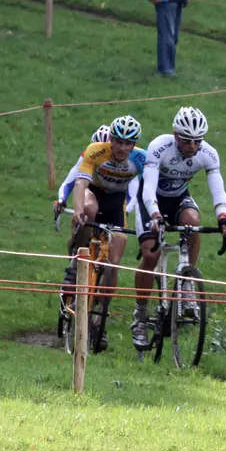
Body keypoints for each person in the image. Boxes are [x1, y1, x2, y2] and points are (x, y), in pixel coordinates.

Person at [130, 107, 226, 351]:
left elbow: (218, 189)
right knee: (150, 254)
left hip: (178, 198)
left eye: (197, 140)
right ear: (175, 135)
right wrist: (155, 213)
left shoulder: (208, 154)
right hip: (152, 199)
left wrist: (223, 216)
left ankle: (187, 281)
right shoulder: (159, 147)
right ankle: (140, 315)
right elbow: (148, 188)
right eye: (187, 140)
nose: (192, 146)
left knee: (193, 220)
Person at [60, 116, 147, 349]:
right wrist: (77, 211)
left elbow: (146, 192)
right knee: (88, 210)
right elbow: (80, 183)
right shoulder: (96, 151)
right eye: (118, 142)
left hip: (116, 206)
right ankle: (74, 263)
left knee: (113, 264)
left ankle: (100, 320)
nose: (122, 148)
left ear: (134, 144)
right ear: (111, 139)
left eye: (128, 143)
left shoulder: (141, 158)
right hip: (94, 194)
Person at [54, 125, 112, 221]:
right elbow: (69, 182)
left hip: (112, 198)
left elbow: (133, 191)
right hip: (90, 193)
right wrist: (62, 200)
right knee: (88, 209)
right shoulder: (87, 156)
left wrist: (127, 210)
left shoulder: (123, 159)